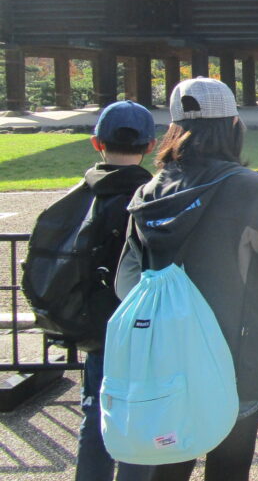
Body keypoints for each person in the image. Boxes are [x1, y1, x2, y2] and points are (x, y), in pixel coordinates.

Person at [116, 77, 258, 481]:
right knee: (230, 468)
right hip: (236, 351)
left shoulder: (149, 191)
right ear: (234, 124)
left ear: (174, 128)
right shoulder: (247, 188)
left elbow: (126, 283)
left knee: (171, 460)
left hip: (168, 354)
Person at [73, 101, 156, 481]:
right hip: (141, 326)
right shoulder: (153, 196)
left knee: (96, 416)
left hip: (97, 324)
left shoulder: (83, 196)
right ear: (150, 145)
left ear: (97, 143)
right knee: (141, 418)